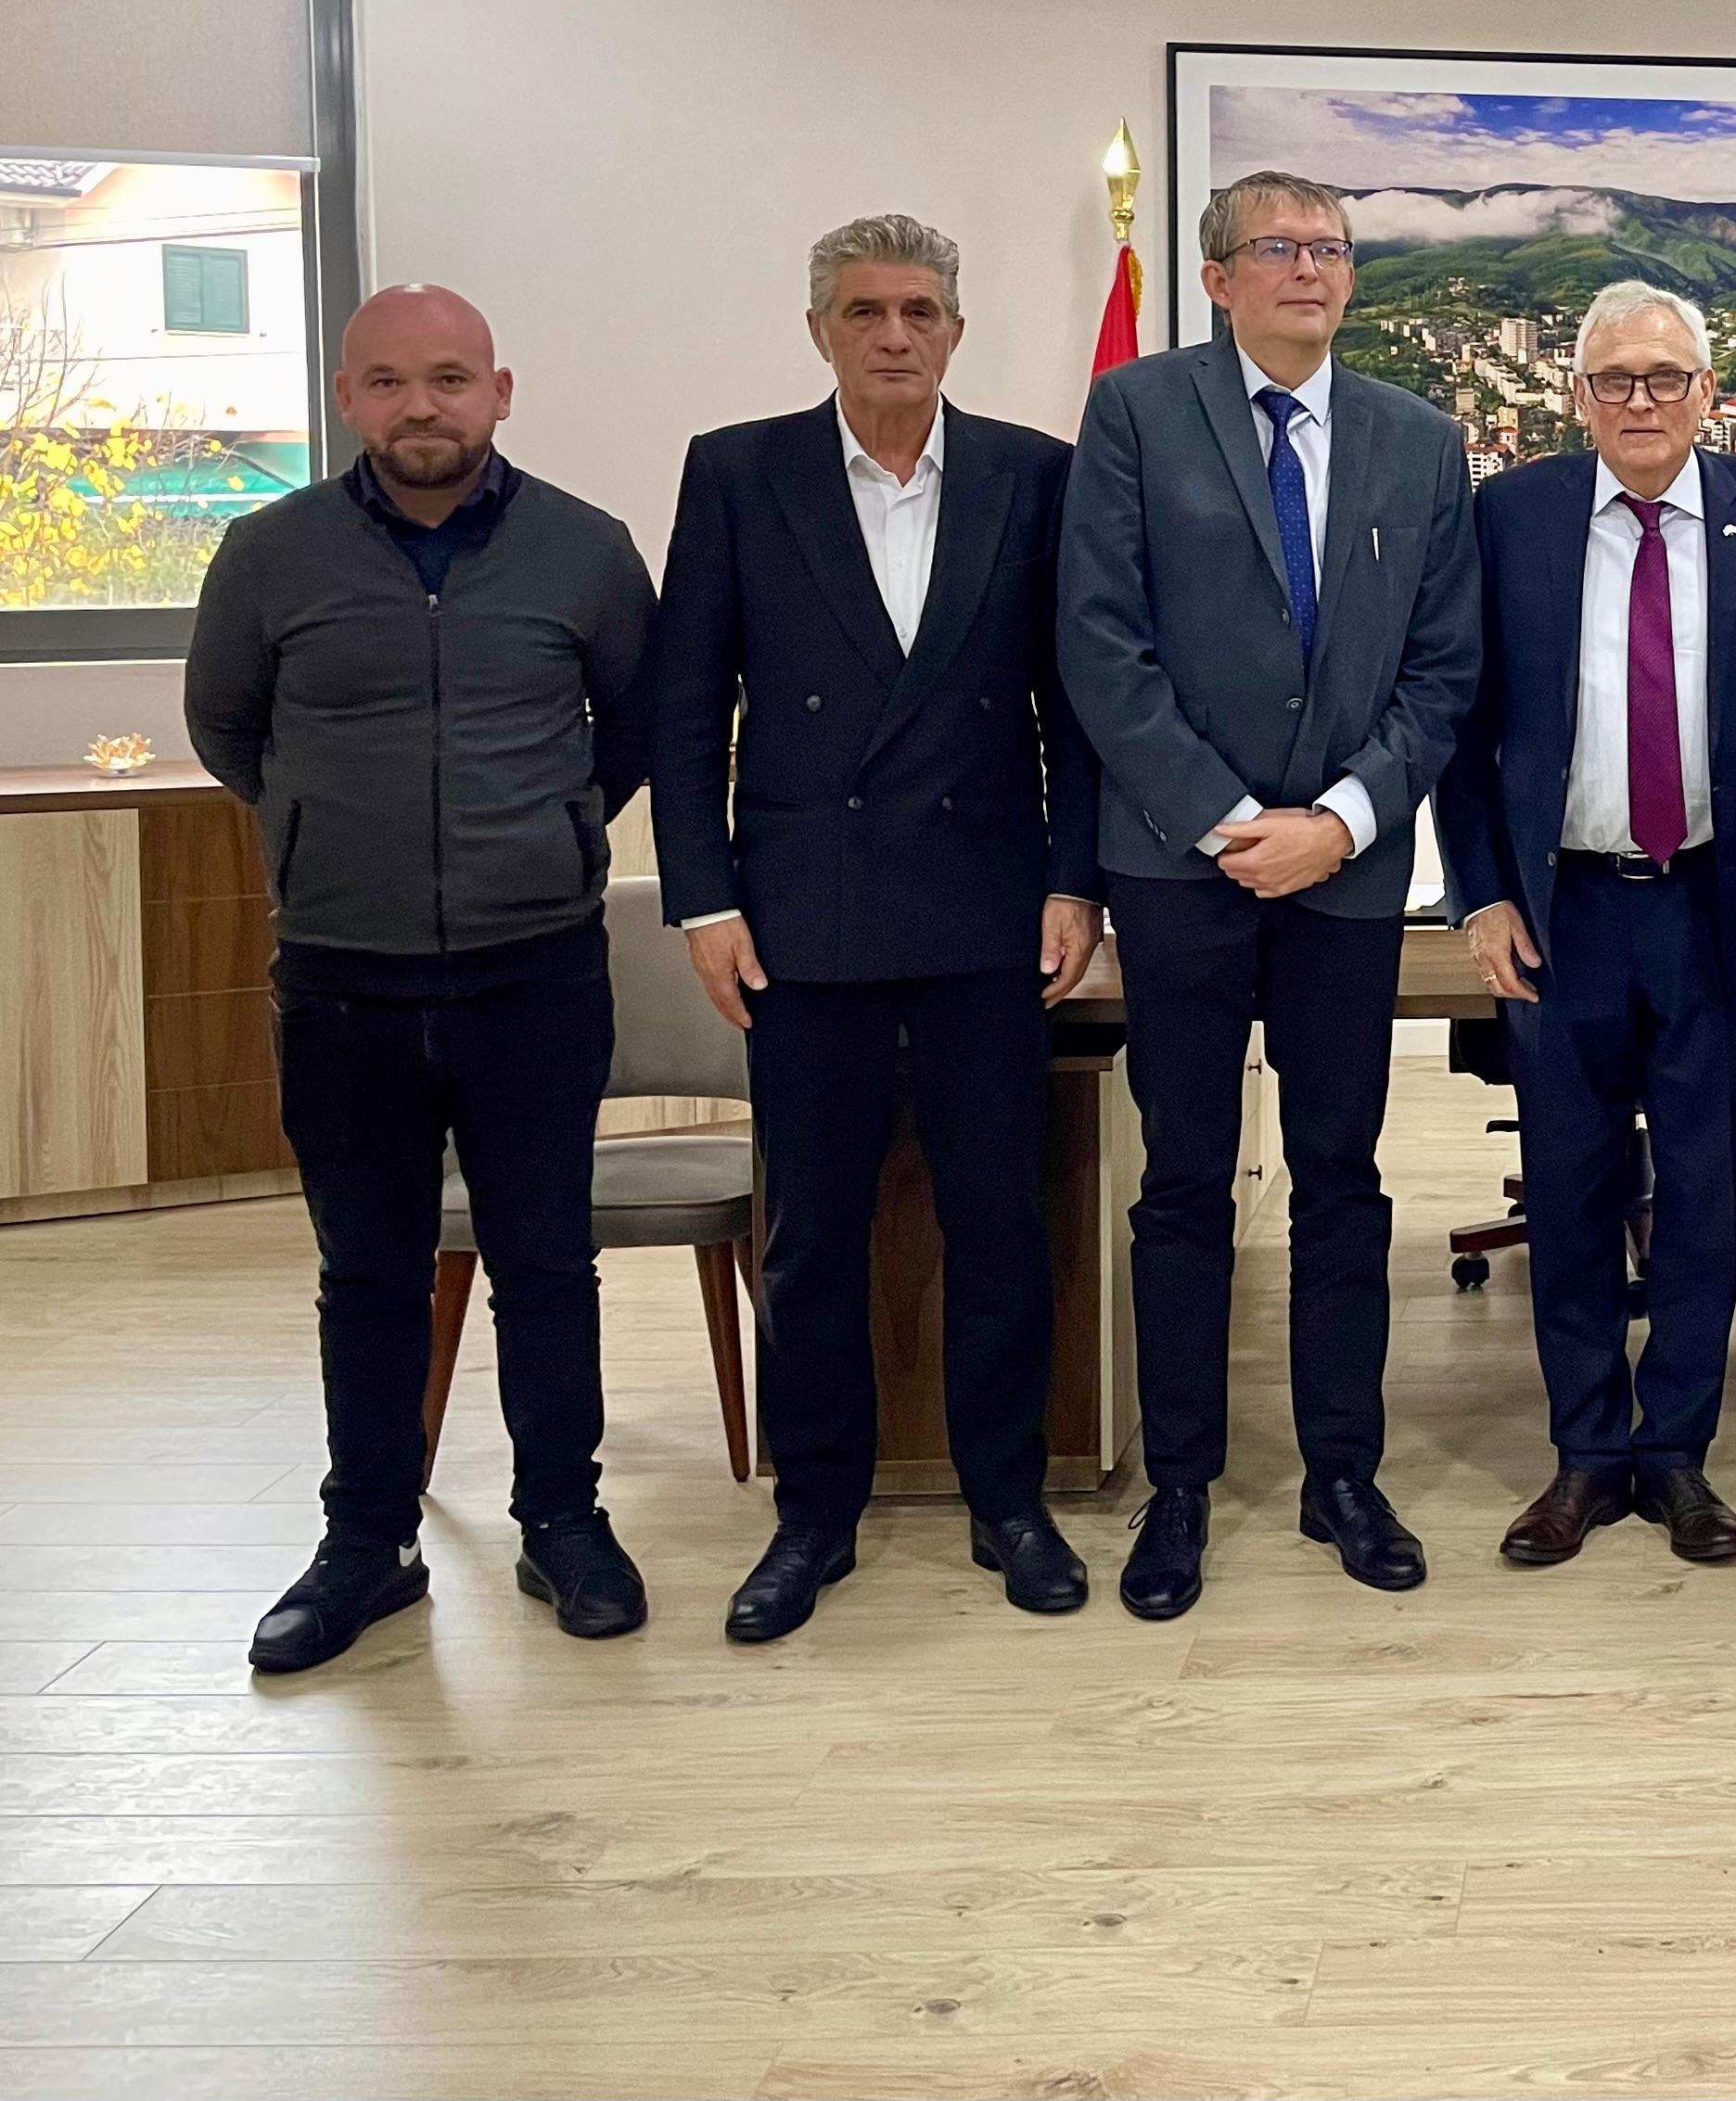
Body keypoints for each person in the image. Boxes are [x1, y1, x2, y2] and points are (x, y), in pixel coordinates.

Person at [185, 284, 657, 1673]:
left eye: (450, 379)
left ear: (499, 393)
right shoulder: (271, 553)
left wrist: (548, 830)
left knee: (546, 1263)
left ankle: (563, 1523)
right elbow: (227, 727)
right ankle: (365, 1546)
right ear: (348, 398)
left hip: (535, 971)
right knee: (369, 1273)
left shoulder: (585, 549)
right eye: (387, 382)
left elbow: (632, 730)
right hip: (344, 979)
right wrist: (325, 832)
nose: (421, 407)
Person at [652, 214, 1104, 1642]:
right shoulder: (739, 474)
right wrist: (703, 897)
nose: (894, 335)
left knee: (999, 1227)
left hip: (987, 909)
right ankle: (814, 1515)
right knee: (811, 1238)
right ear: (820, 331)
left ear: (956, 330)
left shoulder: (1035, 475)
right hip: (803, 917)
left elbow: (1073, 705)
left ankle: (1008, 1500)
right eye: (864, 312)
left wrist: (1075, 881)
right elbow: (684, 710)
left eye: (918, 311)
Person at [1057, 169, 1482, 1620]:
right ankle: (1180, 1484)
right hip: (1181, 867)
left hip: (1347, 876)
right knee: (1183, 1181)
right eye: (1279, 247)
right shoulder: (1137, 412)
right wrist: (1238, 824)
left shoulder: (1421, 440)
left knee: (1341, 1177)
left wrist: (1342, 822)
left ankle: (1341, 1475)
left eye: (1332, 249)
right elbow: (1100, 645)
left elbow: (1445, 668)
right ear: (1218, 277)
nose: (1310, 268)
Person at [1436, 281, 1736, 1568]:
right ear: (1578, 397)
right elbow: (1460, 722)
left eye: (1667, 376)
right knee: (1569, 1186)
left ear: (1707, 392)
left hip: (1718, 902)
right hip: (1565, 908)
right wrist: (1482, 891)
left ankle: (1677, 1456)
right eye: (1616, 379)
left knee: (1706, 1191)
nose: (1643, 400)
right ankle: (1587, 1455)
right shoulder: (1512, 516)